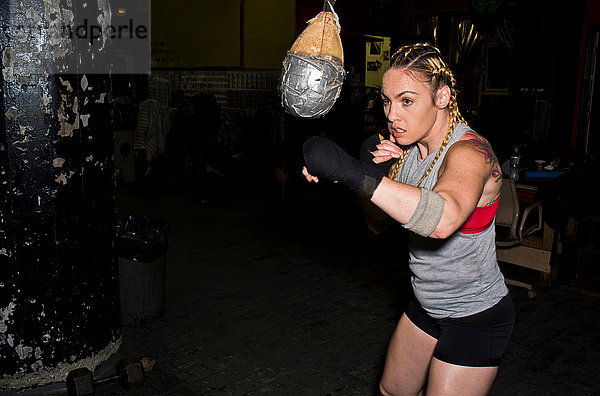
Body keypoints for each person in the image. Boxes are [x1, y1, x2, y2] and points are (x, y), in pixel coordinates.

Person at [302, 42, 514, 395]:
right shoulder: (408, 153)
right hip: (426, 303)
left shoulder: (471, 153)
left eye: (407, 100)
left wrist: (353, 173)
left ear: (442, 97)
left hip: (475, 315)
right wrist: (369, 176)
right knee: (391, 391)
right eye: (387, 101)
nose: (392, 115)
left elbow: (443, 218)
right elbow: (377, 224)